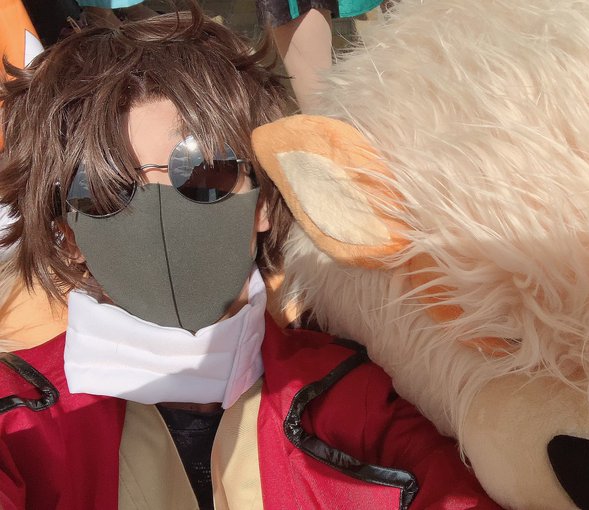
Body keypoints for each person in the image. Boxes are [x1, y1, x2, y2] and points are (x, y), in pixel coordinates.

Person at [0, 5, 497, 510]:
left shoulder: (357, 399)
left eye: (204, 173)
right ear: (68, 233)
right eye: (106, 189)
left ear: (261, 201)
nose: (161, 214)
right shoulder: (15, 418)